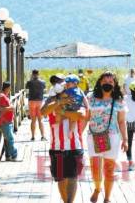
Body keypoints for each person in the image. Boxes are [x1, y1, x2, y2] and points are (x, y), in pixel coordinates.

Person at [41, 73, 88, 203]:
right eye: (55, 81)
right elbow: (42, 112)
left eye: (60, 81)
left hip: (75, 145)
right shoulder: (51, 99)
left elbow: (81, 115)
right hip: (56, 146)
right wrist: (59, 103)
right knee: (60, 178)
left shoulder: (76, 96)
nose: (58, 83)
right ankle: (65, 201)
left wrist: (61, 112)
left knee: (73, 177)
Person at [86, 71, 128, 203]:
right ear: (99, 83)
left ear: (115, 85)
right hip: (93, 137)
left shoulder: (119, 101)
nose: (107, 84)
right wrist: (76, 136)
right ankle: (97, 188)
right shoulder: (90, 98)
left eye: (110, 82)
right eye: (105, 81)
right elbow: (85, 118)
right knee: (95, 168)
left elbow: (121, 121)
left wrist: (125, 140)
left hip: (113, 137)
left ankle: (107, 198)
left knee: (109, 169)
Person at [0, 81, 17, 161]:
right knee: (10, 138)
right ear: (7, 88)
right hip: (5, 121)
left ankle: (8, 156)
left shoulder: (4, 96)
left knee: (8, 139)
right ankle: (14, 154)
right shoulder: (1, 96)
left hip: (8, 121)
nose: (10, 90)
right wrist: (11, 108)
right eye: (10, 88)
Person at [25, 69, 46, 141]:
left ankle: (33, 136)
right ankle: (43, 136)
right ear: (38, 74)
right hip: (40, 101)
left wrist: (31, 78)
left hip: (31, 101)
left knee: (33, 120)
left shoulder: (29, 82)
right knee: (40, 120)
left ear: (32, 74)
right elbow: (44, 88)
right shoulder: (43, 82)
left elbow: (26, 87)